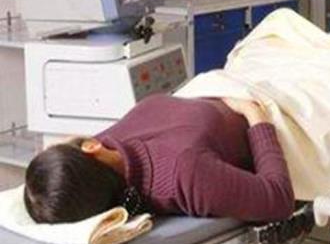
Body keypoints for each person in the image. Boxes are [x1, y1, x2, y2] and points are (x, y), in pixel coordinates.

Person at [23, 94, 295, 224]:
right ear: (89, 148)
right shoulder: (187, 174)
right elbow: (279, 198)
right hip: (264, 104)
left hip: (225, 87)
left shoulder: (109, 146)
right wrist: (256, 117)